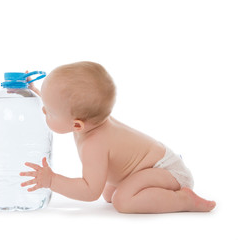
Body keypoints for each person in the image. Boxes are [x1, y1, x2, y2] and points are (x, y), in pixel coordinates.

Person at [20, 61, 216, 213]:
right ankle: (158, 192)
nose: (44, 110)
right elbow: (60, 105)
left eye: (50, 112)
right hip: (147, 168)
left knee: (123, 200)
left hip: (167, 172)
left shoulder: (94, 143)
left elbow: (90, 191)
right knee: (110, 195)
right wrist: (35, 92)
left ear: (77, 124)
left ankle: (184, 200)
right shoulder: (90, 119)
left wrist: (52, 181)